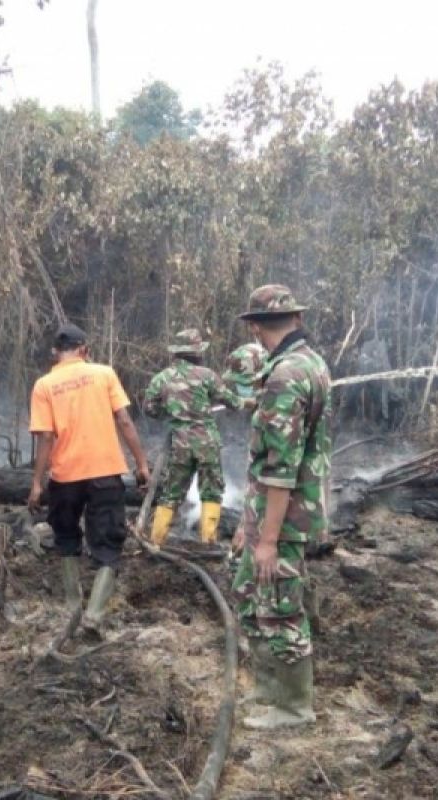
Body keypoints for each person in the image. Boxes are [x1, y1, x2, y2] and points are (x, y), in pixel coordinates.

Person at [230, 285, 332, 729]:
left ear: (254, 326)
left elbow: (280, 468)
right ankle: (269, 689)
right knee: (252, 595)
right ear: (295, 319)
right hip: (276, 513)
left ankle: (293, 707)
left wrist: (267, 538)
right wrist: (247, 525)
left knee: (281, 606)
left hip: (284, 519)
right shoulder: (311, 363)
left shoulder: (285, 376)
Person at [27, 323, 150, 637]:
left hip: (65, 476)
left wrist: (37, 483)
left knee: (66, 538)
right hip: (105, 472)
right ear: (83, 349)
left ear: (57, 352)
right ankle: (94, 616)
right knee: (108, 544)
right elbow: (123, 420)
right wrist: (141, 463)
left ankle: (73, 607)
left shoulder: (44, 385)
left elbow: (45, 437)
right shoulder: (104, 374)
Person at [143, 328, 241, 547]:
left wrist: (171, 414)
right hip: (207, 441)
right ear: (196, 352)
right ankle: (208, 543)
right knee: (212, 490)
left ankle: (156, 540)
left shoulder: (161, 378)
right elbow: (232, 402)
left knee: (171, 492)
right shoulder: (207, 375)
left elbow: (150, 408)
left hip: (179, 442)